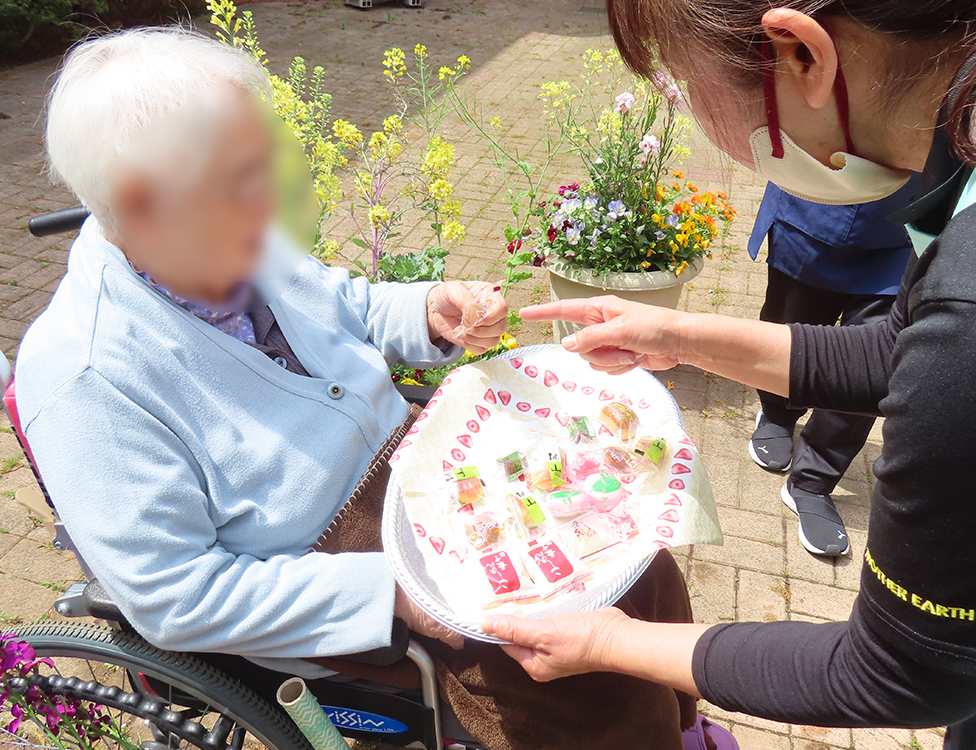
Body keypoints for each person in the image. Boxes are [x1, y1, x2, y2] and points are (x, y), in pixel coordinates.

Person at [17, 27, 700, 750]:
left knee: (625, 553)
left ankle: (680, 729)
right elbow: (177, 595)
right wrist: (396, 595)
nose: (270, 195)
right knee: (572, 668)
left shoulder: (228, 234)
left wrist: (428, 311)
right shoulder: (85, 379)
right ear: (143, 203)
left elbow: (345, 305)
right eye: (241, 176)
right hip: (327, 572)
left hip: (420, 474)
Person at [482, 0, 976, 740]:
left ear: (801, 55)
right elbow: (902, 352)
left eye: (685, 81)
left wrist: (605, 641)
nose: (689, 108)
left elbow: (899, 674)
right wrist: (682, 335)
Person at [747, 181, 917, 556]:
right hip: (813, 206)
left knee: (877, 359)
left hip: (905, 228)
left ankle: (812, 480)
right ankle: (777, 414)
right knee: (789, 324)